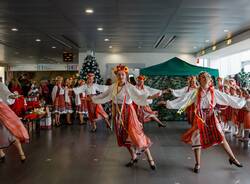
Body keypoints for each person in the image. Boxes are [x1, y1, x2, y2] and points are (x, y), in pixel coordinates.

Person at [159, 72, 246, 173]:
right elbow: (184, 100)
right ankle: (198, 163)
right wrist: (168, 103)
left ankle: (233, 158)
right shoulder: (195, 92)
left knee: (221, 137)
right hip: (200, 118)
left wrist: (242, 101)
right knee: (197, 139)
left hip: (211, 117)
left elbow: (228, 98)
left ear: (210, 80)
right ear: (199, 81)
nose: (204, 79)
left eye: (206, 77)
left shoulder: (215, 92)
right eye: (202, 78)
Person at [91, 64, 160, 170]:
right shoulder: (113, 87)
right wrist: (91, 99)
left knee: (137, 135)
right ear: (116, 76)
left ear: (126, 75)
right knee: (123, 137)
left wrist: (152, 96)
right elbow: (103, 95)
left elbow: (140, 95)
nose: (120, 76)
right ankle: (134, 157)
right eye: (119, 75)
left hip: (129, 113)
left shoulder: (129, 87)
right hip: (118, 114)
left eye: (122, 74)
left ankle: (150, 159)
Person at [0, 82, 29, 163]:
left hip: (2, 111)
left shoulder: (0, 85)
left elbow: (6, 93)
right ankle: (1, 154)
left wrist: (13, 95)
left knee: (9, 133)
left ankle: (21, 153)